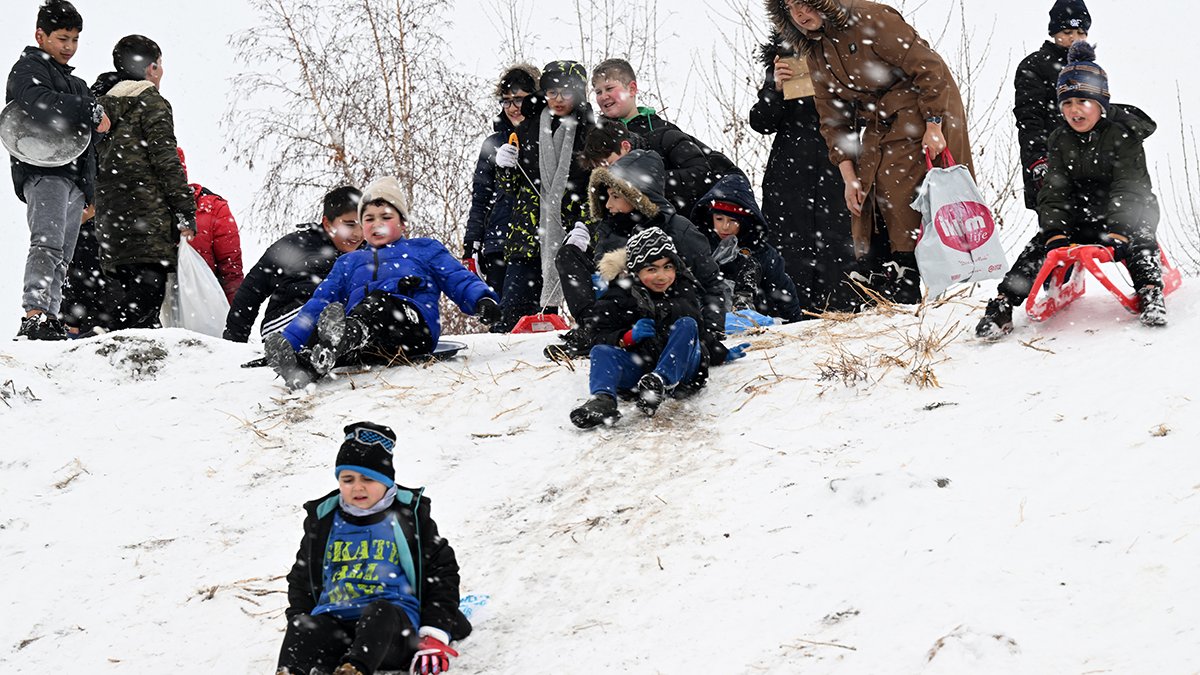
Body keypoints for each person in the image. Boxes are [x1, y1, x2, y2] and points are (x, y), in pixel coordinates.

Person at [767, 0, 974, 304]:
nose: (798, 14)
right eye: (789, 7)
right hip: (879, 114)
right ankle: (880, 275)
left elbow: (928, 68)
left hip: (924, 102)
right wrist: (848, 177)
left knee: (898, 189)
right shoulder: (815, 49)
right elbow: (832, 118)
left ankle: (910, 273)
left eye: (803, 3)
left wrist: (933, 123)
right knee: (867, 192)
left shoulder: (871, 18)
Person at [976, 42, 1167, 338]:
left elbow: (1130, 187)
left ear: (1100, 103)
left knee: (1140, 238)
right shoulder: (1059, 139)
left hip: (1128, 212)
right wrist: (1055, 231)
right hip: (1082, 215)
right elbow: (1055, 191)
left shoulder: (1123, 135)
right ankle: (1002, 304)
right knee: (1037, 247)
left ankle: (1150, 290)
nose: (1074, 110)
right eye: (1066, 103)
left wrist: (1118, 230)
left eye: (1082, 102)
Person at [263, 177, 501, 389]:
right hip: (366, 348)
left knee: (377, 303)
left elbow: (458, 278)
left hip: (412, 331)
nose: (377, 224)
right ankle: (305, 367)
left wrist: (482, 299)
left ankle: (342, 338)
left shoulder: (424, 249)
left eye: (386, 217)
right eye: (369, 218)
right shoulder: (349, 262)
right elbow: (318, 303)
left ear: (403, 222)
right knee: (328, 320)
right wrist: (291, 340)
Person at [277, 421, 471, 675]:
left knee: (379, 611)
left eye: (368, 479)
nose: (357, 487)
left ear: (387, 482)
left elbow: (441, 570)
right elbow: (301, 578)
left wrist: (434, 631)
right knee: (303, 623)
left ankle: (354, 670)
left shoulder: (407, 517)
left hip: (393, 632)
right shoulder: (324, 520)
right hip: (336, 627)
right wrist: (303, 627)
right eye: (348, 479)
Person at [551, 149, 726, 360]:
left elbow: (711, 282)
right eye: (607, 197)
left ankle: (606, 332)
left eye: (615, 196)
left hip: (660, 312)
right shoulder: (610, 227)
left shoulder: (678, 230)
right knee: (568, 254)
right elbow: (602, 280)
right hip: (615, 309)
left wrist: (711, 330)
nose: (608, 205)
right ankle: (592, 329)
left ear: (638, 197)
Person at [570, 228, 748, 429]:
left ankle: (659, 381)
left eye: (667, 267)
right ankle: (603, 401)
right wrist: (626, 337)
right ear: (636, 271)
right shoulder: (619, 296)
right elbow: (597, 335)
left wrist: (720, 353)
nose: (661, 276)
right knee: (600, 352)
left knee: (686, 324)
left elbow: (697, 332)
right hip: (641, 365)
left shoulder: (683, 289)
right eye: (652, 269)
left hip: (683, 369)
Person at [7, 0, 110, 340]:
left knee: (64, 253)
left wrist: (90, 191)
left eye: (75, 39)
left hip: (74, 177)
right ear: (41, 35)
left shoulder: (77, 84)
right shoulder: (27, 70)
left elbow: (86, 143)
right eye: (63, 38)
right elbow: (37, 101)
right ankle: (34, 312)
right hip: (44, 170)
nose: (69, 47)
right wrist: (88, 108)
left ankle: (50, 314)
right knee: (46, 244)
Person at [93, 34, 196, 330]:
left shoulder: (101, 107)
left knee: (126, 299)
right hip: (146, 215)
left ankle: (116, 348)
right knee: (148, 295)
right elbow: (166, 159)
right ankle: (118, 341)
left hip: (110, 221)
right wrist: (184, 208)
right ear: (151, 68)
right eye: (160, 65)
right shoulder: (151, 102)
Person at [749, 31, 854, 313]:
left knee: (839, 240)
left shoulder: (846, 47)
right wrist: (775, 88)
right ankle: (790, 309)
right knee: (789, 244)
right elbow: (761, 121)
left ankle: (841, 308)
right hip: (790, 170)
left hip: (839, 164)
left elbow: (862, 110)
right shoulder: (783, 53)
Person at [493, 60, 594, 331]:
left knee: (583, 317)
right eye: (551, 93)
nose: (558, 100)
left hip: (572, 237)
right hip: (527, 236)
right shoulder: (529, 129)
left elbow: (594, 188)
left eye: (566, 93)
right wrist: (504, 167)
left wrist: (586, 225)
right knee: (513, 323)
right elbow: (512, 188)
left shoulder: (591, 133)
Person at [590, 58, 741, 214]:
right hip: (613, 226)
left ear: (632, 89)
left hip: (662, 222)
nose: (603, 96)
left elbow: (700, 175)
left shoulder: (661, 132)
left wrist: (650, 181)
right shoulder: (595, 139)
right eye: (598, 92)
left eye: (609, 88)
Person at [224, 186, 362, 343]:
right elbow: (252, 289)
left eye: (363, 224)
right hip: (286, 320)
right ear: (327, 223)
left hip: (335, 322)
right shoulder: (296, 245)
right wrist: (234, 339)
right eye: (349, 225)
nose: (358, 233)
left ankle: (331, 349)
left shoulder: (367, 254)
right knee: (326, 305)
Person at [463, 64, 539, 298]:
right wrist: (472, 241)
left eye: (518, 99)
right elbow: (481, 197)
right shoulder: (494, 143)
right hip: (498, 241)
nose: (512, 108)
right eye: (506, 101)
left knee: (538, 321)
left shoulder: (546, 139)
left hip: (535, 243)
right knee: (500, 319)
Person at [691, 173, 804, 323]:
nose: (725, 226)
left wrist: (795, 323)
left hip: (751, 321)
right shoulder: (699, 244)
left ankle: (741, 309)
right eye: (719, 219)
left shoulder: (760, 251)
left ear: (744, 221)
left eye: (733, 220)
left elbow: (783, 291)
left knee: (750, 265)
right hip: (706, 317)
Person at [1014, 0, 1091, 211]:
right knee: (1057, 236)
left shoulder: (1090, 70)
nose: (1074, 38)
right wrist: (1038, 160)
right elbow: (1029, 118)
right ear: (1054, 32)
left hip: (1091, 170)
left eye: (1080, 32)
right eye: (1067, 31)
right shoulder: (1035, 65)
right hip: (1051, 165)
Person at [178, 147, 243, 303]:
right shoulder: (142, 211)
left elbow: (230, 268)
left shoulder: (213, 208)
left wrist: (235, 316)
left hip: (204, 305)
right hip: (155, 309)